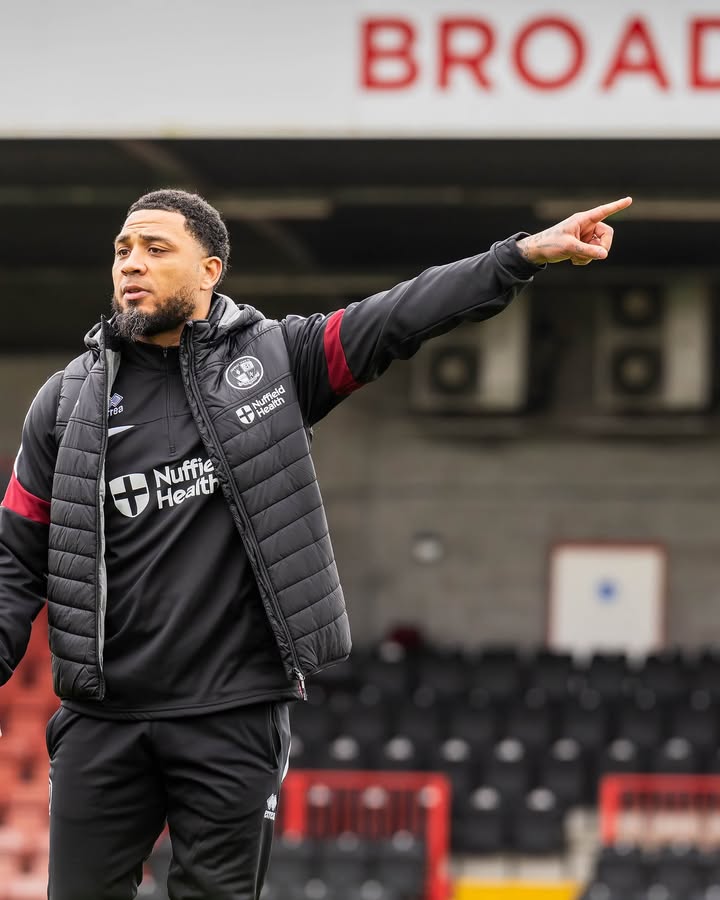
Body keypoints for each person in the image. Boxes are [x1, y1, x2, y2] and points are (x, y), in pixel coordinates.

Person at [0, 188, 632, 900]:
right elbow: (14, 558)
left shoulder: (278, 362)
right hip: (101, 722)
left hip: (230, 714)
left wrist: (517, 257)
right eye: (122, 251)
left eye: (154, 249)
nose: (131, 265)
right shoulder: (64, 404)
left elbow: (399, 315)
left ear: (210, 271)